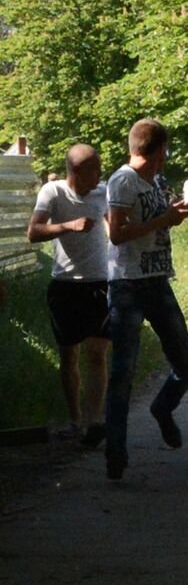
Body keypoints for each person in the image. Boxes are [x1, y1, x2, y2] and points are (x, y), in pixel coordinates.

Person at [104, 118, 188, 480]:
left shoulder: (155, 181)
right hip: (128, 286)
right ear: (159, 151)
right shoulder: (122, 180)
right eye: (166, 151)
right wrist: (163, 219)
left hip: (157, 282)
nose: (166, 157)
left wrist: (172, 213)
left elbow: (156, 218)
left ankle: (162, 408)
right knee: (123, 373)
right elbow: (116, 234)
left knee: (186, 366)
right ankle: (116, 453)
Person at [26, 144, 110, 446]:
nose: (99, 175)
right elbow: (33, 232)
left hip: (100, 282)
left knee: (97, 354)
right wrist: (69, 226)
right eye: (94, 170)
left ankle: (95, 421)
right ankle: (75, 420)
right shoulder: (52, 192)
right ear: (75, 171)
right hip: (65, 285)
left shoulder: (103, 194)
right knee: (69, 355)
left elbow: (117, 229)